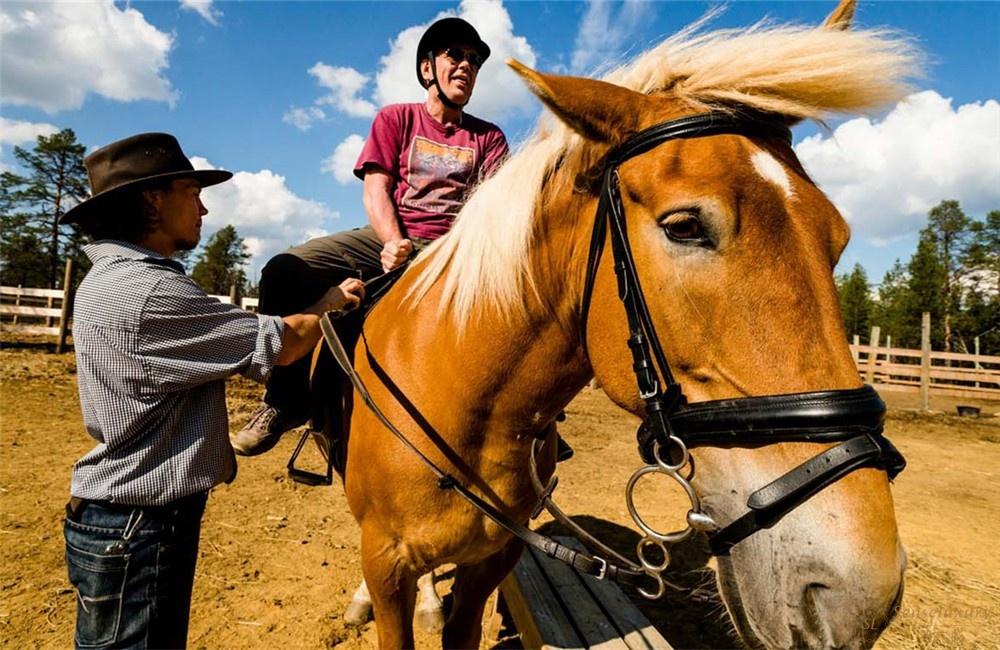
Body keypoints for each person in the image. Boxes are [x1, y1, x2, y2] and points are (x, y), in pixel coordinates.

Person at [60, 132, 364, 649]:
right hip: (143, 526)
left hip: (117, 519)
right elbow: (283, 343)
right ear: (153, 200)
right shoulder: (152, 293)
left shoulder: (104, 281)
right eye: (190, 191)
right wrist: (331, 300)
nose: (202, 206)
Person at [232, 17, 509, 455]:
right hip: (390, 234)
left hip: (455, 248)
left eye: (474, 60)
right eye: (454, 55)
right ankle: (285, 402)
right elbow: (376, 186)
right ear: (426, 69)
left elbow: (495, 210)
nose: (466, 65)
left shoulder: (489, 137)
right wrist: (392, 240)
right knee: (284, 268)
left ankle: (536, 423)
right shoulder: (397, 118)